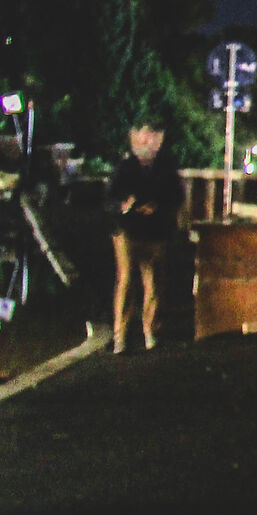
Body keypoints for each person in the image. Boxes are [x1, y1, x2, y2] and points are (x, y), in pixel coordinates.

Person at [108, 124, 183, 354]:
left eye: (151, 139)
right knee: (127, 278)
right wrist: (124, 205)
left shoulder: (166, 168)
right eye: (142, 139)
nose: (147, 144)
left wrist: (158, 206)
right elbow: (110, 197)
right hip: (127, 230)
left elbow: (177, 196)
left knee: (153, 282)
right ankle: (120, 335)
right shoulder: (124, 167)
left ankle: (150, 330)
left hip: (154, 230)